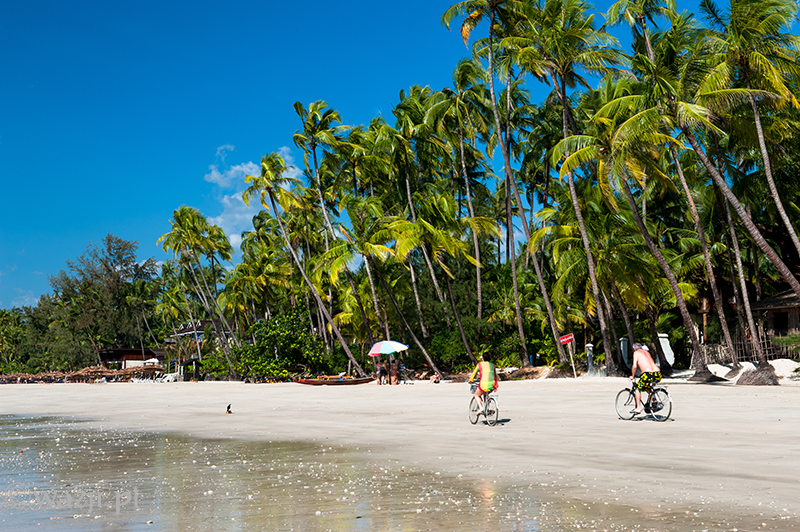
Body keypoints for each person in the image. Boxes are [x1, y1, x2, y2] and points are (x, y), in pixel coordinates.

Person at [630, 342, 661, 414]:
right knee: (646, 386)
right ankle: (654, 400)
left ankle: (638, 408)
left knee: (637, 388)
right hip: (657, 373)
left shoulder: (636, 353)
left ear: (634, 348)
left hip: (648, 374)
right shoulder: (647, 352)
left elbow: (634, 366)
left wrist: (632, 376)